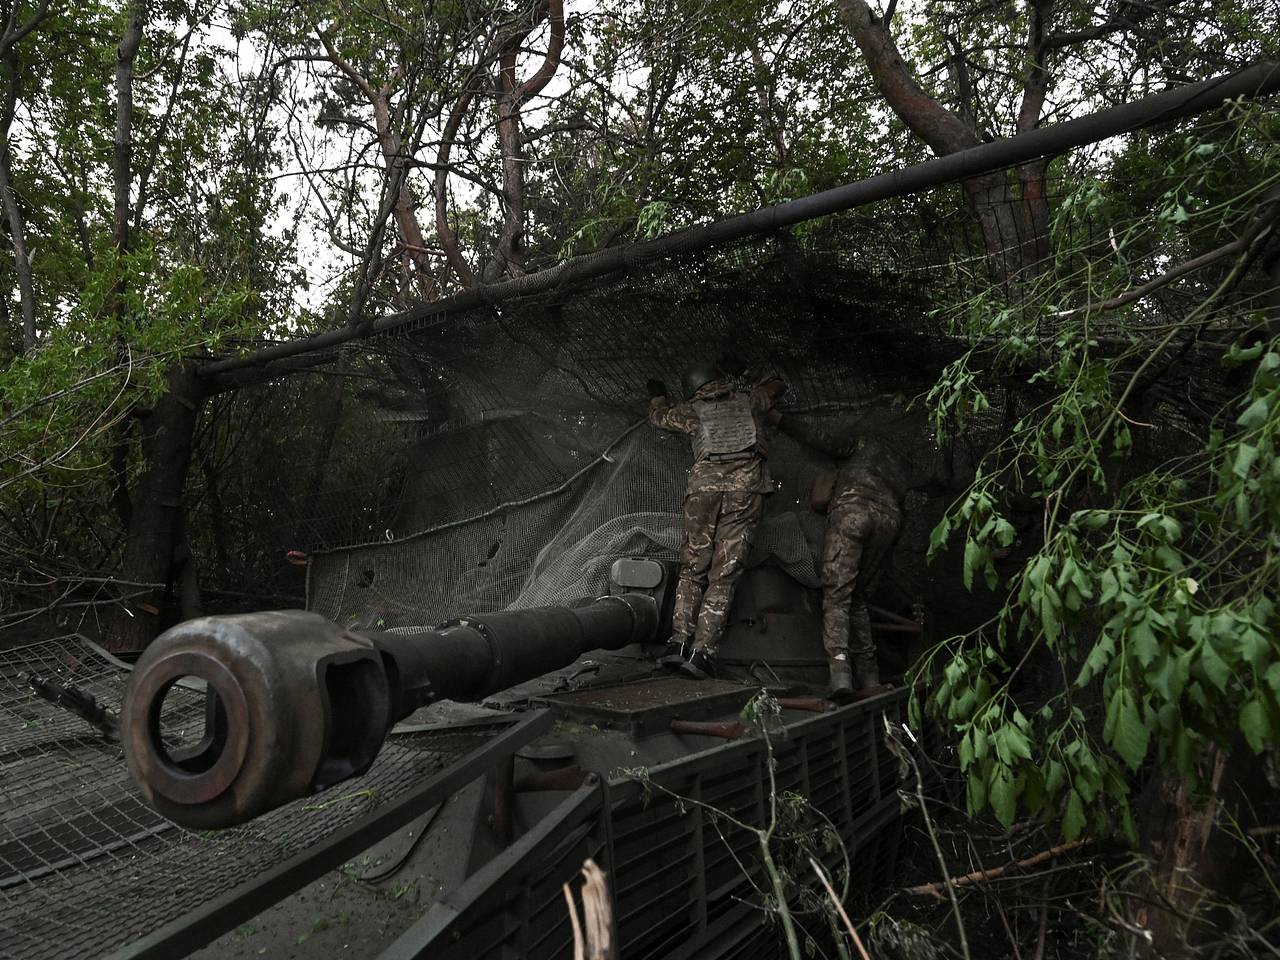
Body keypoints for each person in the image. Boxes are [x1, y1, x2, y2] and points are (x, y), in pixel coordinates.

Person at [768, 410, 944, 700]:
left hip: (853, 512)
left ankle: (840, 677)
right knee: (857, 596)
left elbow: (819, 438)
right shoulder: (900, 463)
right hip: (889, 521)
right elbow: (928, 485)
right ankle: (870, 676)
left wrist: (780, 419)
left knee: (836, 595)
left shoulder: (861, 443)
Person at [646, 362, 785, 679]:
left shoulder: (690, 410)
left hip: (703, 491)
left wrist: (657, 397)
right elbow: (778, 383)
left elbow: (657, 418)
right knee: (724, 574)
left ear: (694, 387)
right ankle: (701, 654)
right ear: (721, 380)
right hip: (744, 493)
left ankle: (677, 644)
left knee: (693, 568)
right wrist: (754, 374)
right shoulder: (750, 400)